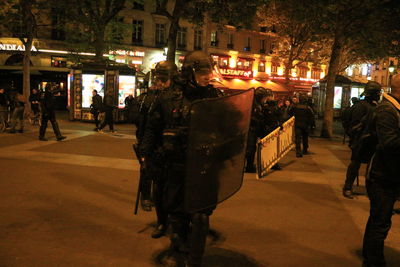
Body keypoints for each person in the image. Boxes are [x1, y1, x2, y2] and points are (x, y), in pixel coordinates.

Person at [142, 51, 223, 266]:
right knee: (177, 213)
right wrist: (146, 156)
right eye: (202, 72)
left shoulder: (213, 97)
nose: (207, 76)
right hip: (176, 164)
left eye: (208, 71)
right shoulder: (168, 98)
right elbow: (152, 127)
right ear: (189, 72)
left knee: (201, 214)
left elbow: (228, 129)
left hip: (202, 165)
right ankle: (179, 241)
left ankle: (194, 259)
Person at [135, 61, 178, 238]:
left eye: (164, 79)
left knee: (174, 191)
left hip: (175, 150)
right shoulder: (149, 98)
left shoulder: (178, 97)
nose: (159, 83)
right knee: (158, 190)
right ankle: (162, 221)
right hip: (156, 149)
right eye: (157, 79)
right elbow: (145, 126)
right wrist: (144, 150)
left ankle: (176, 224)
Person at [362, 75, 400, 267]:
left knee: (379, 219)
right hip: (382, 176)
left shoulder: (393, 108)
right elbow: (390, 143)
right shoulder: (387, 110)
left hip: (389, 174)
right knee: (380, 222)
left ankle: (369, 255)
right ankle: (373, 261)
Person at [342, 82, 381, 199]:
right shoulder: (360, 106)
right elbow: (354, 126)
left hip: (372, 140)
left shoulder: (375, 106)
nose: (379, 95)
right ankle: (348, 187)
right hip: (361, 141)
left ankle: (371, 189)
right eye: (378, 93)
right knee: (355, 165)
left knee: (372, 167)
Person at [245, 87, 270, 173]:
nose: (265, 100)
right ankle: (249, 166)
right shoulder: (253, 104)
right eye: (264, 98)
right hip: (251, 129)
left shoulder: (258, 104)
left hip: (254, 129)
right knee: (250, 148)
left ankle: (249, 165)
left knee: (251, 148)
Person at [288, 93, 315, 157]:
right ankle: (305, 150)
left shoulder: (295, 106)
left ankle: (298, 151)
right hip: (305, 125)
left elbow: (289, 112)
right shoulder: (308, 107)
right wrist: (310, 124)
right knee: (305, 138)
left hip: (297, 124)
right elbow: (312, 116)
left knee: (298, 138)